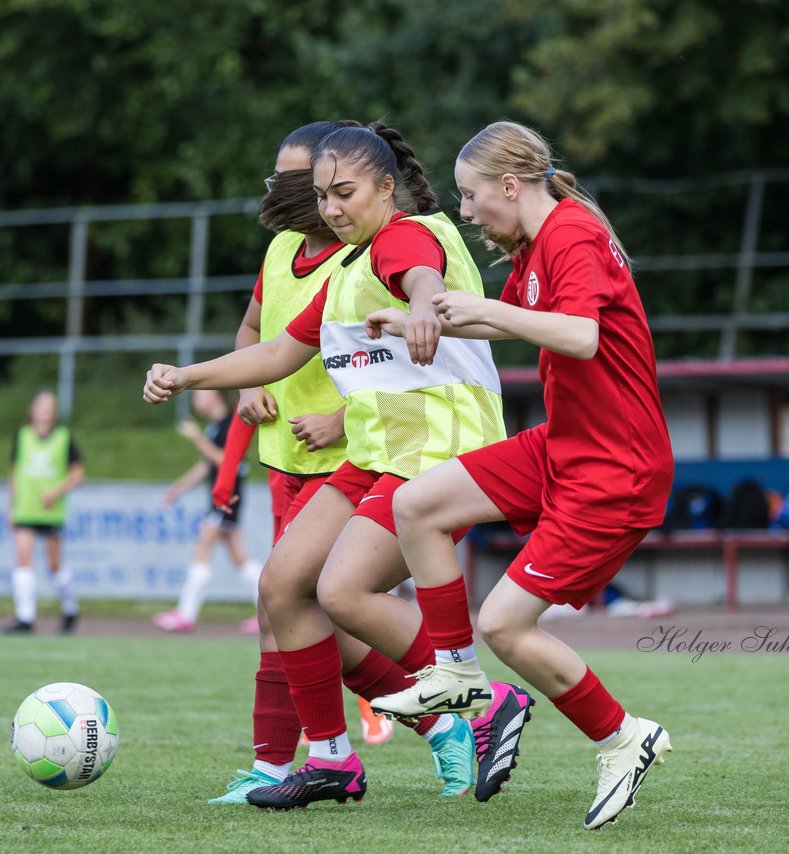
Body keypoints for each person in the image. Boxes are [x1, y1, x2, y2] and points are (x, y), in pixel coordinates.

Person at [142, 122, 534, 810]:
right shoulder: (347, 268)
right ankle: (330, 760)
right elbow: (274, 354)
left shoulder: (404, 238)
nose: (329, 208)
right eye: (322, 196)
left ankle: (487, 698)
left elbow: (421, 275)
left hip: (440, 455)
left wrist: (420, 306)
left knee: (342, 594)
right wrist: (185, 374)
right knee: (284, 585)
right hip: (380, 455)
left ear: (387, 187)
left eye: (343, 192)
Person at [365, 121, 675, 830]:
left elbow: (580, 335)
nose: (467, 212)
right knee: (417, 506)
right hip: (567, 445)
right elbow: (516, 323)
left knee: (506, 624)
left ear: (511, 185)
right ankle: (455, 674)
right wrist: (432, 320)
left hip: (615, 467)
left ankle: (623, 737)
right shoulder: (539, 245)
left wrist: (482, 307)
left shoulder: (570, 233)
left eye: (472, 197)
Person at [200, 120, 390, 806]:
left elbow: (394, 363)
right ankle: (289, 762)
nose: (277, 189)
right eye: (276, 176)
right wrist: (248, 385)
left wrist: (342, 417)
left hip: (355, 461)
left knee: (303, 608)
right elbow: (257, 331)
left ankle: (431, 720)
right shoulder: (282, 249)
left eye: (291, 176)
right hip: (286, 461)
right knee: (284, 610)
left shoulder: (364, 258)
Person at [153, 389, 264, 635]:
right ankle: (267, 613)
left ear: (215, 396)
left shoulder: (230, 424)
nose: (196, 401)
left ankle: (185, 614)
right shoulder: (214, 427)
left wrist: (196, 439)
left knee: (203, 548)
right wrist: (177, 489)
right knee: (240, 559)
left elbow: (227, 460)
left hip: (227, 498)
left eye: (200, 395)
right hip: (223, 498)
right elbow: (206, 465)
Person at [2, 389, 85, 634]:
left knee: (55, 565)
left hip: (51, 512)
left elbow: (78, 474)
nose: (46, 413)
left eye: (51, 408)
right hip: (26, 509)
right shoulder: (23, 436)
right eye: (42, 407)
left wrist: (56, 492)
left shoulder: (64, 437)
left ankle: (70, 609)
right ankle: (25, 618)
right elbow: (15, 473)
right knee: (23, 559)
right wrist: (11, 506)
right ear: (32, 410)